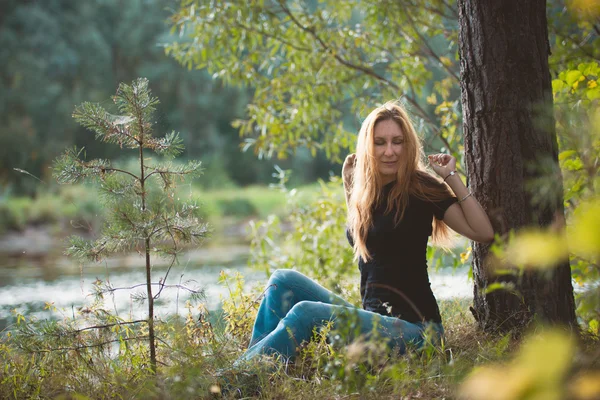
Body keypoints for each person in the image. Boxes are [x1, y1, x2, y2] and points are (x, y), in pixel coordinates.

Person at [235, 101, 494, 365]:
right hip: (374, 321)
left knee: (304, 313)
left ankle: (237, 377)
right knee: (283, 279)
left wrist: (451, 176)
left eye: (397, 142)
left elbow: (483, 232)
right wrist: (350, 189)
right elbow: (368, 250)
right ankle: (253, 369)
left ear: (409, 145)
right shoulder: (366, 193)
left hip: (417, 331)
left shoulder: (421, 188)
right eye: (380, 142)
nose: (389, 151)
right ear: (368, 146)